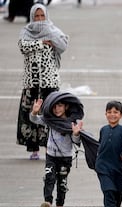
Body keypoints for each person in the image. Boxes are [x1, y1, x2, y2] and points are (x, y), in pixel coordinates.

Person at [16, 3, 69, 160]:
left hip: (49, 81)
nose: (39, 19)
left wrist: (51, 39)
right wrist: (41, 43)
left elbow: (63, 45)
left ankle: (49, 146)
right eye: (36, 16)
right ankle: (34, 149)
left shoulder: (53, 31)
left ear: (46, 16)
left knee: (50, 114)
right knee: (31, 114)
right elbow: (22, 46)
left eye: (42, 16)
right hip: (31, 81)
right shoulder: (26, 31)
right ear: (32, 17)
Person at [29, 91, 84, 207]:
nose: (56, 109)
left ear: (66, 107)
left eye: (60, 106)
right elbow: (34, 120)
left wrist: (76, 133)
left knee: (62, 181)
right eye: (54, 106)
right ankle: (47, 202)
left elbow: (76, 141)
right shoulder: (49, 120)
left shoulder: (71, 123)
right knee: (49, 177)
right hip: (51, 156)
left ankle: (60, 204)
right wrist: (34, 111)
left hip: (65, 157)